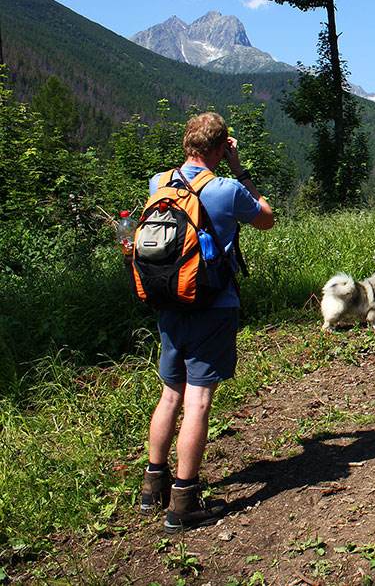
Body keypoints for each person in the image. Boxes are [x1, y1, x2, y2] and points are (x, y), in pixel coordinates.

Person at [139, 111, 274, 532]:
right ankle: (183, 500)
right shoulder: (226, 189)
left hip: (168, 299)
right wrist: (240, 168)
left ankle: (152, 486)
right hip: (213, 306)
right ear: (220, 147)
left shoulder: (158, 182)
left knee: (170, 395)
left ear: (187, 144)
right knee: (198, 400)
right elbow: (267, 217)